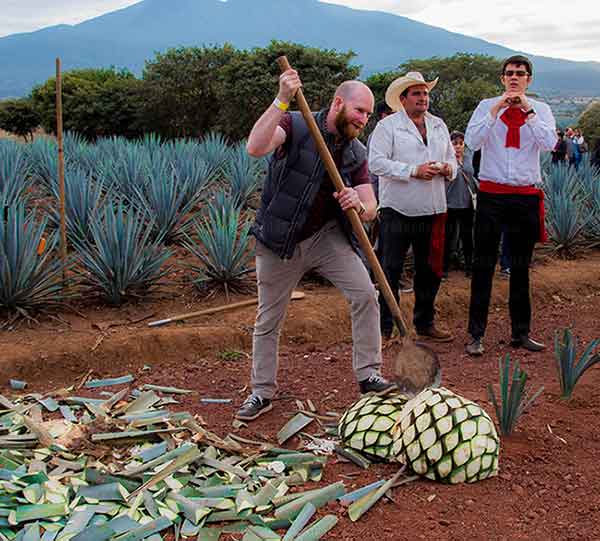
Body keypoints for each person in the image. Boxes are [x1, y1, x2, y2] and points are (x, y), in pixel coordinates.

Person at [236, 70, 394, 421]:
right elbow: (255, 147)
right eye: (359, 111)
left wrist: (358, 201)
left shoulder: (355, 152)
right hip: (281, 240)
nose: (364, 119)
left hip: (326, 238)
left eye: (368, 114)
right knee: (269, 318)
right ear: (339, 102)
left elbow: (371, 208)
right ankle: (261, 392)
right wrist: (281, 99)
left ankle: (368, 374)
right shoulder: (296, 124)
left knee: (366, 294)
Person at [464, 55, 557, 356]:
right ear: (502, 78)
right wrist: (495, 110)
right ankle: (475, 335)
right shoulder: (485, 107)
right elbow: (472, 141)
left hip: (525, 196)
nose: (514, 77)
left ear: (529, 79)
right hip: (492, 195)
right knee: (483, 266)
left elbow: (549, 144)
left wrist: (527, 111)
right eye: (509, 73)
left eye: (520, 73)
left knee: (520, 268)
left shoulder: (540, 110)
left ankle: (521, 333)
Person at [369, 72, 457, 342]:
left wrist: (446, 168)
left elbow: (454, 162)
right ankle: (385, 328)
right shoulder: (388, 127)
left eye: (425, 93)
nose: (423, 98)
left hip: (433, 208)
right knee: (391, 269)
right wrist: (413, 171)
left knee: (429, 270)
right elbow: (375, 163)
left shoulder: (439, 125)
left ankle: (425, 323)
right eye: (417, 94)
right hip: (398, 209)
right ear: (403, 98)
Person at [443, 130, 477, 278]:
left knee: (467, 237)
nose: (458, 146)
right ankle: (444, 269)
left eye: (460, 143)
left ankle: (470, 267)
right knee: (448, 237)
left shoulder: (469, 158)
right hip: (450, 203)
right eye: (454, 143)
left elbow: (473, 176)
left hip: (467, 204)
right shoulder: (446, 160)